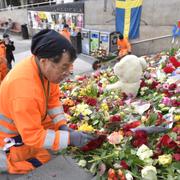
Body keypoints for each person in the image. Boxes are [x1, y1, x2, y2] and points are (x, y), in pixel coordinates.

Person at [0, 29, 95, 174]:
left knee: (49, 151)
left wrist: (62, 126)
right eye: (64, 67)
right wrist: (69, 138)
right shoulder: (24, 89)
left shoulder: (44, 70)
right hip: (12, 141)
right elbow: (32, 136)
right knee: (39, 160)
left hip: (28, 128)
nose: (68, 73)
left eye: (70, 66)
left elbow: (53, 100)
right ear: (45, 61)